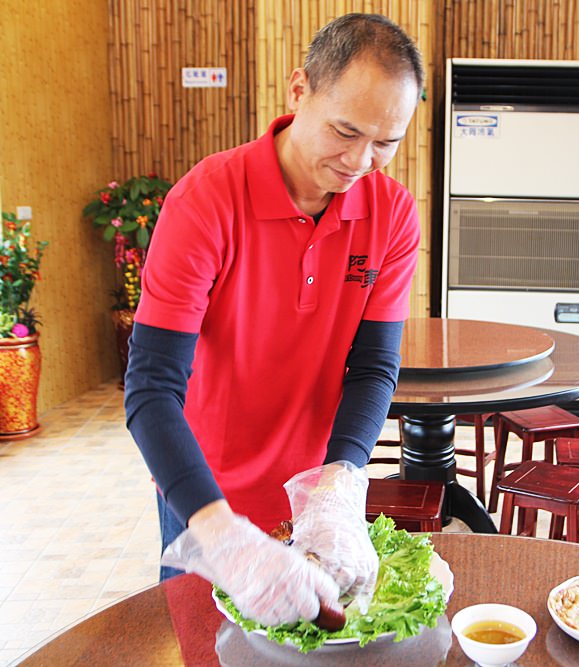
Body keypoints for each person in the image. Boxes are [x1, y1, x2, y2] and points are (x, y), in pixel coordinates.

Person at [123, 13, 424, 629]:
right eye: (345, 131)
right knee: (209, 649)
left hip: (311, 500)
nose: (360, 161)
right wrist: (222, 537)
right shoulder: (206, 202)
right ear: (298, 91)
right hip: (204, 497)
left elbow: (373, 367)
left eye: (385, 143)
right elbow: (151, 386)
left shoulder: (390, 214)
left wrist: (339, 485)